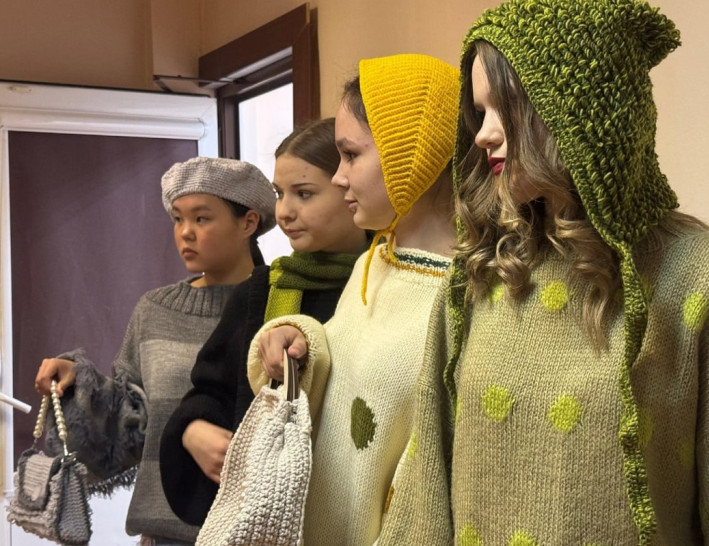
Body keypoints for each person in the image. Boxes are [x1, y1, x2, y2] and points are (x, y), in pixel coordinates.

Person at [378, 1, 709, 544]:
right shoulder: (482, 277)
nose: (484, 134)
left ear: (582, 112)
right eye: (479, 113)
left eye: (506, 108)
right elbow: (426, 489)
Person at [248, 53, 460, 544]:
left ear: (410, 153)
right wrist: (299, 339)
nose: (339, 176)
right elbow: (346, 372)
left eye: (351, 155)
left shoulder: (463, 293)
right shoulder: (375, 261)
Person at [33, 156, 278, 545]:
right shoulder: (155, 310)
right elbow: (129, 420)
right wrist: (77, 379)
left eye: (201, 218)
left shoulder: (282, 304)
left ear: (248, 222)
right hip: (165, 533)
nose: (185, 233)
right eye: (178, 219)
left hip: (264, 530)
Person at [159, 117, 368, 526]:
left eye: (304, 193)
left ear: (349, 186)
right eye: (279, 194)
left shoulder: (390, 283)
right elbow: (210, 392)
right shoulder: (261, 292)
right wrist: (192, 428)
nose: (285, 211)